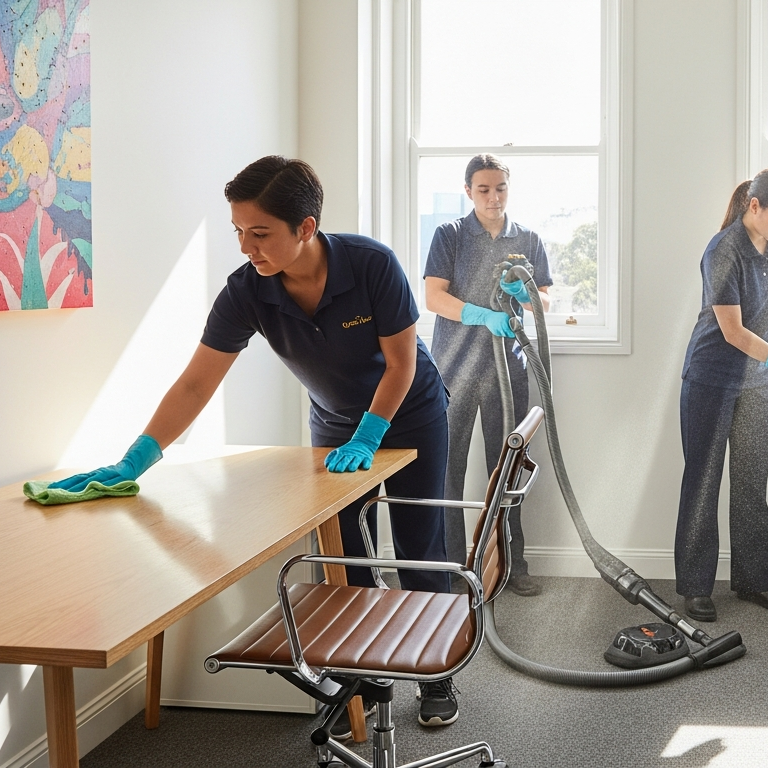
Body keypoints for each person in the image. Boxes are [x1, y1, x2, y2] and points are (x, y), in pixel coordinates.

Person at [50, 156, 465, 729]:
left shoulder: (372, 265)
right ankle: (365, 680)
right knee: (345, 554)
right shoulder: (248, 291)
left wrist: (373, 435)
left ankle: (435, 674)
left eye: (260, 233)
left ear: (306, 228)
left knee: (420, 543)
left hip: (410, 413)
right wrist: (136, 458)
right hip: (335, 426)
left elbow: (399, 364)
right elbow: (197, 381)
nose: (247, 246)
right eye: (239, 232)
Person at [674, 168, 768, 623]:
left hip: (757, 383)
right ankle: (696, 588)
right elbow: (733, 332)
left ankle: (755, 580)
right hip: (711, 379)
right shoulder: (723, 249)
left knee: (752, 483)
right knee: (704, 482)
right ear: (754, 206)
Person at [424, 154, 552, 597]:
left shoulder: (528, 239)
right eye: (484, 189)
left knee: (505, 472)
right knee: (448, 471)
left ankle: (511, 567)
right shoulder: (450, 236)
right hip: (453, 371)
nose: (493, 197)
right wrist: (480, 314)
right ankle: (452, 569)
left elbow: (545, 303)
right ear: (468, 191)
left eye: (500, 188)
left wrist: (525, 293)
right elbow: (434, 298)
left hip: (507, 371)